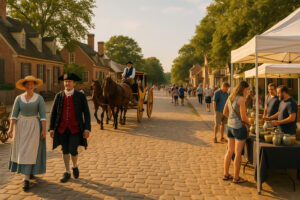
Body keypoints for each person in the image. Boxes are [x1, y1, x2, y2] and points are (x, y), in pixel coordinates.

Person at [49, 73, 91, 183]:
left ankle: (75, 165)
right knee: (65, 149)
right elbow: (53, 113)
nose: (67, 83)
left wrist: (87, 128)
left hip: (75, 128)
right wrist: (51, 128)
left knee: (73, 149)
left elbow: (86, 113)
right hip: (62, 128)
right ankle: (67, 171)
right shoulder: (59, 96)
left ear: (74, 84)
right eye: (65, 81)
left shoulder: (80, 96)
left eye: (69, 81)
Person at [7, 76, 46, 191]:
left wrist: (43, 130)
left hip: (34, 126)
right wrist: (10, 129)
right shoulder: (18, 98)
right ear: (24, 86)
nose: (29, 86)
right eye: (27, 85)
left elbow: (43, 116)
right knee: (23, 151)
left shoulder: (39, 99)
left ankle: (26, 179)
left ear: (34, 85)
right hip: (21, 127)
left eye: (31, 84)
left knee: (31, 151)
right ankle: (28, 173)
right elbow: (13, 115)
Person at [223, 81, 250, 184]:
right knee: (238, 153)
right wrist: (250, 123)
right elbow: (243, 117)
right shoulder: (241, 99)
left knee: (229, 151)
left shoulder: (230, 97)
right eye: (246, 89)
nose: (247, 91)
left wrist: (232, 119)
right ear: (244, 89)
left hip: (229, 127)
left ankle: (226, 174)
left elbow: (225, 112)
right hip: (239, 128)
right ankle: (236, 177)